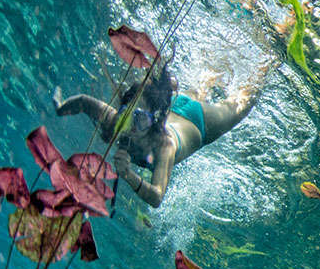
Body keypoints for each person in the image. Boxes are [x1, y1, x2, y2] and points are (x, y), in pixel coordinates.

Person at [53, 17, 289, 207]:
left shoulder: (164, 146)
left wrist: (129, 176)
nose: (132, 125)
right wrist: (60, 107)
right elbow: (84, 102)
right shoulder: (120, 120)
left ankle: (271, 55)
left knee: (242, 102)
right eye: (128, 112)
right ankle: (212, 77)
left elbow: (157, 196)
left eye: (141, 119)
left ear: (154, 121)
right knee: (200, 88)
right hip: (176, 105)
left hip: (199, 122)